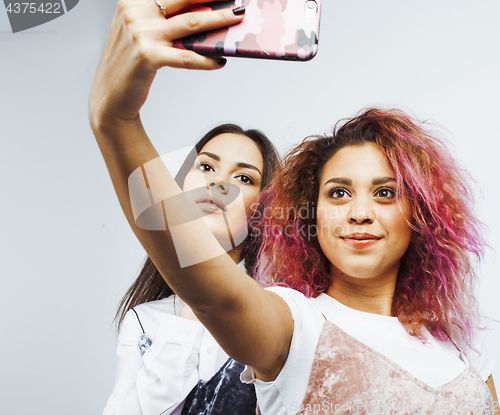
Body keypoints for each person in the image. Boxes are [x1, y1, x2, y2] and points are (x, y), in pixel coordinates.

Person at [90, 1, 497, 415]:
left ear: (422, 213)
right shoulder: (294, 327)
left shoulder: (464, 342)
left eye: (385, 193)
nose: (359, 211)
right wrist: (116, 121)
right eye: (338, 193)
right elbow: (214, 296)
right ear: (310, 216)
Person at [102, 124, 278, 415]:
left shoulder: (283, 314)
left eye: (244, 177)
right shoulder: (144, 323)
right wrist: (187, 315)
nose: (219, 183)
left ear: (264, 206)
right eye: (206, 166)